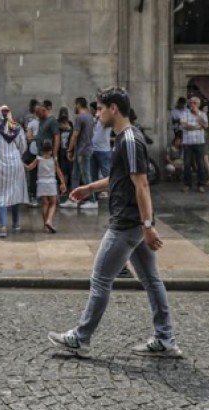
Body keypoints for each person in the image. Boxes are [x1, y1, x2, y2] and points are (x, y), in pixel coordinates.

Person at [48, 87, 182, 359]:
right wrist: (89, 188)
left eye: (99, 109)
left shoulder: (130, 139)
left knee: (100, 280)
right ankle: (165, 338)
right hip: (134, 222)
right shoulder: (124, 139)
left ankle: (81, 338)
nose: (96, 115)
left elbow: (141, 183)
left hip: (126, 224)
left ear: (113, 109)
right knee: (151, 280)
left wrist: (147, 225)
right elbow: (119, 178)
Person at [0, 105, 29, 238]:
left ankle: (3, 227)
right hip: (15, 163)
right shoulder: (18, 129)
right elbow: (23, 146)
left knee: (0, 194)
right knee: (14, 192)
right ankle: (16, 223)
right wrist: (14, 155)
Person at [25, 140, 67, 233]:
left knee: (45, 204)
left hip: (41, 183)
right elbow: (59, 172)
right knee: (53, 203)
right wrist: (63, 183)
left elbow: (29, 168)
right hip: (51, 182)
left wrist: (21, 163)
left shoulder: (38, 159)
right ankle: (49, 220)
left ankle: (45, 225)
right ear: (51, 150)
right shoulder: (54, 160)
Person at [62, 97, 97, 208]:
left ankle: (93, 200)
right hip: (84, 150)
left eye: (75, 104)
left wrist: (69, 149)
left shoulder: (80, 117)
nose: (74, 107)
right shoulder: (90, 117)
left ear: (78, 104)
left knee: (86, 176)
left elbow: (75, 135)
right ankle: (73, 199)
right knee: (75, 175)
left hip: (82, 150)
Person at [180, 96, 209, 193]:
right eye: (191, 102)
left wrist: (197, 115)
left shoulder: (202, 114)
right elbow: (184, 126)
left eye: (195, 103)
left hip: (199, 142)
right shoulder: (184, 113)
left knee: (200, 163)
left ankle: (201, 184)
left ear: (198, 104)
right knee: (187, 164)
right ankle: (187, 184)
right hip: (188, 142)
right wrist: (197, 127)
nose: (192, 104)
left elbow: (205, 125)